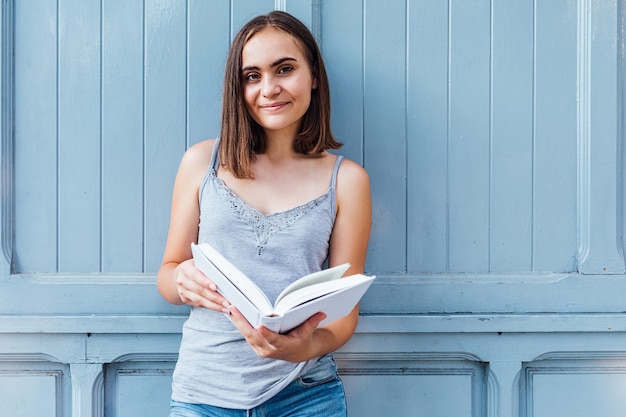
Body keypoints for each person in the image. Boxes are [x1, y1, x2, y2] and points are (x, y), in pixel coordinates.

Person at [157, 10, 371, 417]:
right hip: (204, 393)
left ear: (313, 76)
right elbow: (168, 273)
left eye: (284, 69)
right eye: (252, 76)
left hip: (306, 394)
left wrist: (305, 347)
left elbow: (344, 316)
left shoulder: (347, 181)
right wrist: (180, 279)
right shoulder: (200, 161)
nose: (268, 88)